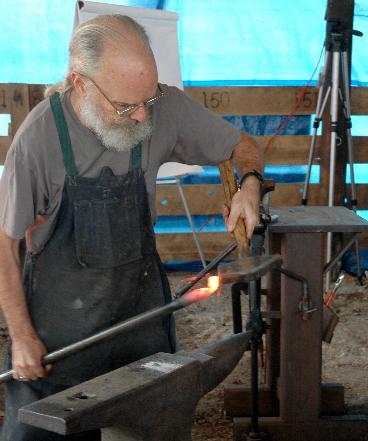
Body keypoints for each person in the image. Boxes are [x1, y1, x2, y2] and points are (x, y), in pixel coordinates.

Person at [0, 14, 263, 440]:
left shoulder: (162, 107)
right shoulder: (38, 140)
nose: (142, 116)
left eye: (148, 99)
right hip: (60, 341)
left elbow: (241, 145)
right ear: (81, 83)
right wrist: (22, 336)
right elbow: (4, 243)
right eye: (125, 106)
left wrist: (249, 185)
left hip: (140, 326)